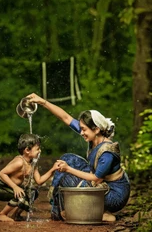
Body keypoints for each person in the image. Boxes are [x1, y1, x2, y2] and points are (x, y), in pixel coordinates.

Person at [27, 93, 131, 222]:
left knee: (68, 179)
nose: (81, 133)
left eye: (84, 129)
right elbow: (65, 117)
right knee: (67, 158)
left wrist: (68, 169)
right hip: (102, 184)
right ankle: (57, 207)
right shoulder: (94, 138)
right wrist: (42, 102)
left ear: (96, 129)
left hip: (114, 195)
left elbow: (96, 178)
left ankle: (99, 212)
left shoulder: (107, 152)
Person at [0, 133, 59, 222]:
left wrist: (53, 169)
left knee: (33, 192)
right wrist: (15, 187)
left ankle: (16, 214)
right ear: (27, 150)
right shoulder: (19, 162)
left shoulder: (33, 164)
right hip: (2, 187)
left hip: (13, 188)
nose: (40, 151)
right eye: (37, 149)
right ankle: (2, 214)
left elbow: (39, 181)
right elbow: (2, 173)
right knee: (21, 196)